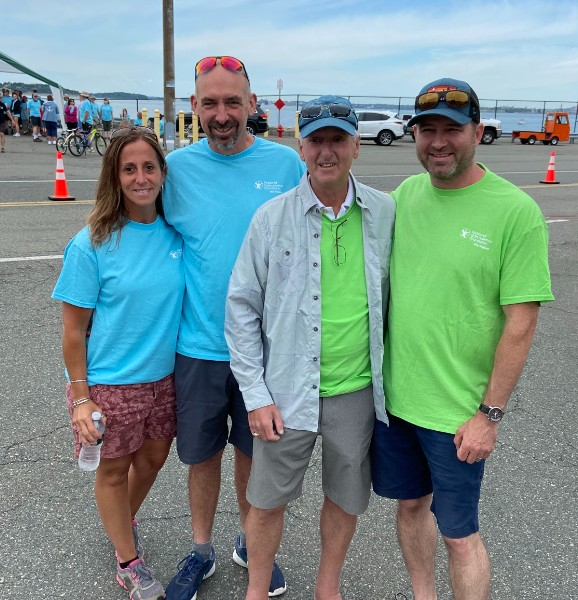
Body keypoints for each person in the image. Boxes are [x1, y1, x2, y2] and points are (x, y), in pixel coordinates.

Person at [371, 78, 554, 600]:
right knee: (410, 506)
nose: (438, 142)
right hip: (396, 402)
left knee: (459, 534)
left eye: (451, 129)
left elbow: (521, 322)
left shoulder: (514, 211)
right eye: (426, 130)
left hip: (458, 415)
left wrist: (488, 416)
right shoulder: (406, 196)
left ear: (477, 131)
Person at [225, 95, 395, 600]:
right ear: (300, 147)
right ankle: (257, 589)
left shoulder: (385, 212)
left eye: (337, 139)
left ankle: (327, 587)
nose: (327, 151)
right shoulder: (270, 218)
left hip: (355, 389)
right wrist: (255, 395)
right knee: (265, 502)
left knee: (345, 499)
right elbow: (240, 308)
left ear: (356, 146)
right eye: (316, 140)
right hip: (285, 390)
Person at [162, 55, 305, 600]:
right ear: (194, 107)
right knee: (202, 458)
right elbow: (147, 237)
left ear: (252, 104)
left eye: (231, 102)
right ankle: (201, 549)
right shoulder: (176, 169)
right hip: (198, 345)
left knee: (254, 456)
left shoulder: (285, 164)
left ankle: (252, 542)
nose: (221, 114)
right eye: (210, 103)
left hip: (266, 352)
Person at [52, 126, 185, 600]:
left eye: (149, 167)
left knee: (152, 460)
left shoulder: (176, 234)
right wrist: (81, 399)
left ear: (163, 172)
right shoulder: (91, 243)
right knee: (112, 471)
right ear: (114, 175)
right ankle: (128, 562)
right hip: (110, 385)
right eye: (129, 169)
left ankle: (120, 524)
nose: (140, 177)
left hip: (165, 379)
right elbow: (73, 331)